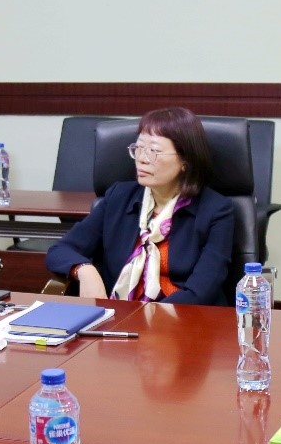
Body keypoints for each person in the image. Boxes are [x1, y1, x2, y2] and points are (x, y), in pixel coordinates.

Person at [46, 107, 234, 306]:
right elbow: (60, 250)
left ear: (185, 161)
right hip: (119, 313)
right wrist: (85, 270)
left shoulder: (216, 210)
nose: (142, 159)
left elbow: (201, 292)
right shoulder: (119, 197)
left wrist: (146, 316)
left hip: (182, 317)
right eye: (138, 148)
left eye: (154, 151)